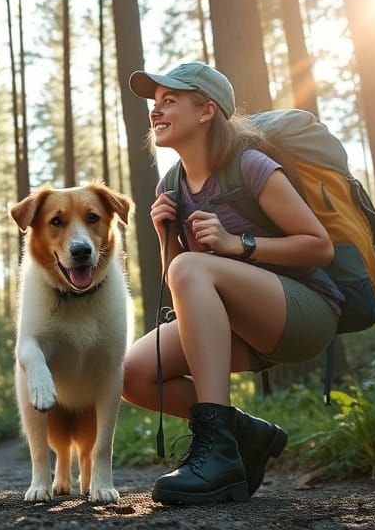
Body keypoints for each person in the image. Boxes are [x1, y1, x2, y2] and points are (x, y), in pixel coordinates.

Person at [121, 63, 342, 505]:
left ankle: (218, 455)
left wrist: (236, 242)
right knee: (131, 374)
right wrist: (166, 238)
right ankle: (244, 434)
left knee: (191, 270)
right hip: (236, 327)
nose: (155, 110)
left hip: (303, 312)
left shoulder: (250, 165)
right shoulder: (173, 185)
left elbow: (319, 247)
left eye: (169, 100)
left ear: (206, 111)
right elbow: (182, 277)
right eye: (154, 102)